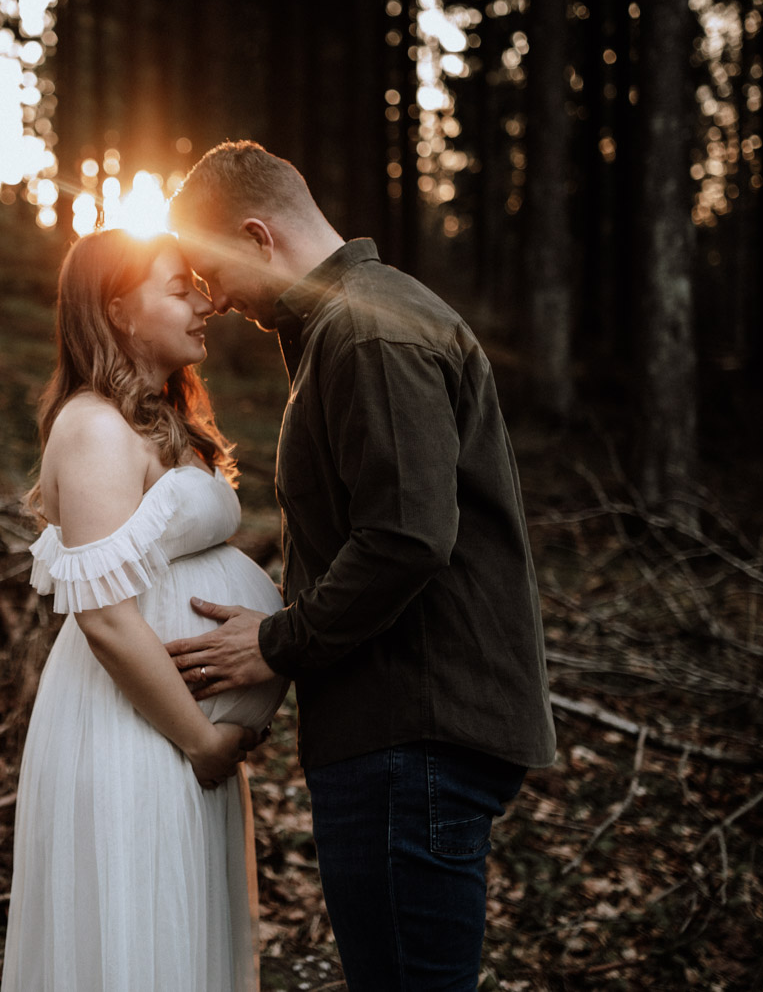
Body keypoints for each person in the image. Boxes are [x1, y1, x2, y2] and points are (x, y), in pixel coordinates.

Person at [162, 141, 557, 991]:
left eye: (210, 268)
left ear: (257, 236)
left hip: (412, 731)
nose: (212, 298)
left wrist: (276, 642)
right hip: (403, 728)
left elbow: (408, 536)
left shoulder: (366, 331)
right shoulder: (354, 321)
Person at [2, 228, 291, 992]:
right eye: (179, 288)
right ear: (120, 310)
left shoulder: (163, 419)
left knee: (178, 936)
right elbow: (103, 615)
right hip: (133, 726)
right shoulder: (94, 425)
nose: (205, 303)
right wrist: (203, 740)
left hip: (174, 729)